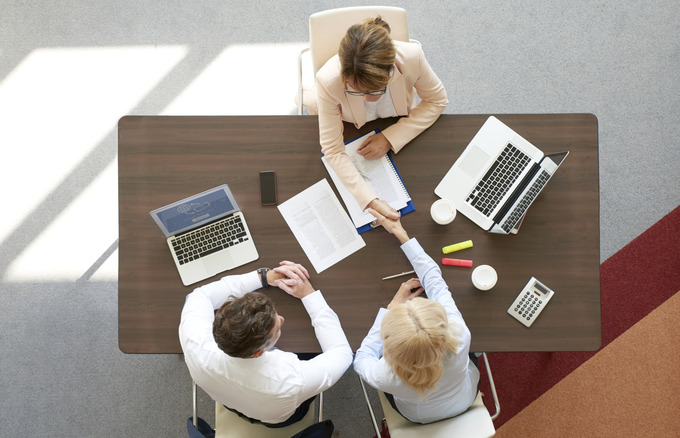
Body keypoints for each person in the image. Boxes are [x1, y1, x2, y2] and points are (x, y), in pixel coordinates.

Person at [179, 261, 353, 427]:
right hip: (277, 419)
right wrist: (308, 294)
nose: (282, 319)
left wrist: (265, 277)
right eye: (277, 329)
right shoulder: (292, 379)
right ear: (258, 352)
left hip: (229, 401)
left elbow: (199, 296)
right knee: (312, 352)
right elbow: (342, 354)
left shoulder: (195, 342)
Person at [353, 209, 480, 424]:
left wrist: (392, 308)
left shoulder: (385, 375)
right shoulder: (460, 335)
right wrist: (401, 234)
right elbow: (436, 284)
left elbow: (361, 358)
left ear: (391, 347)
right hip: (464, 399)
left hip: (417, 415)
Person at [316, 16, 448, 220]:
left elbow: (437, 100)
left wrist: (390, 138)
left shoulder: (411, 57)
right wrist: (369, 199)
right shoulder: (328, 80)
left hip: (395, 122)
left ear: (391, 70)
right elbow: (332, 149)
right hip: (353, 126)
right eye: (358, 91)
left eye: (376, 90)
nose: (368, 99)